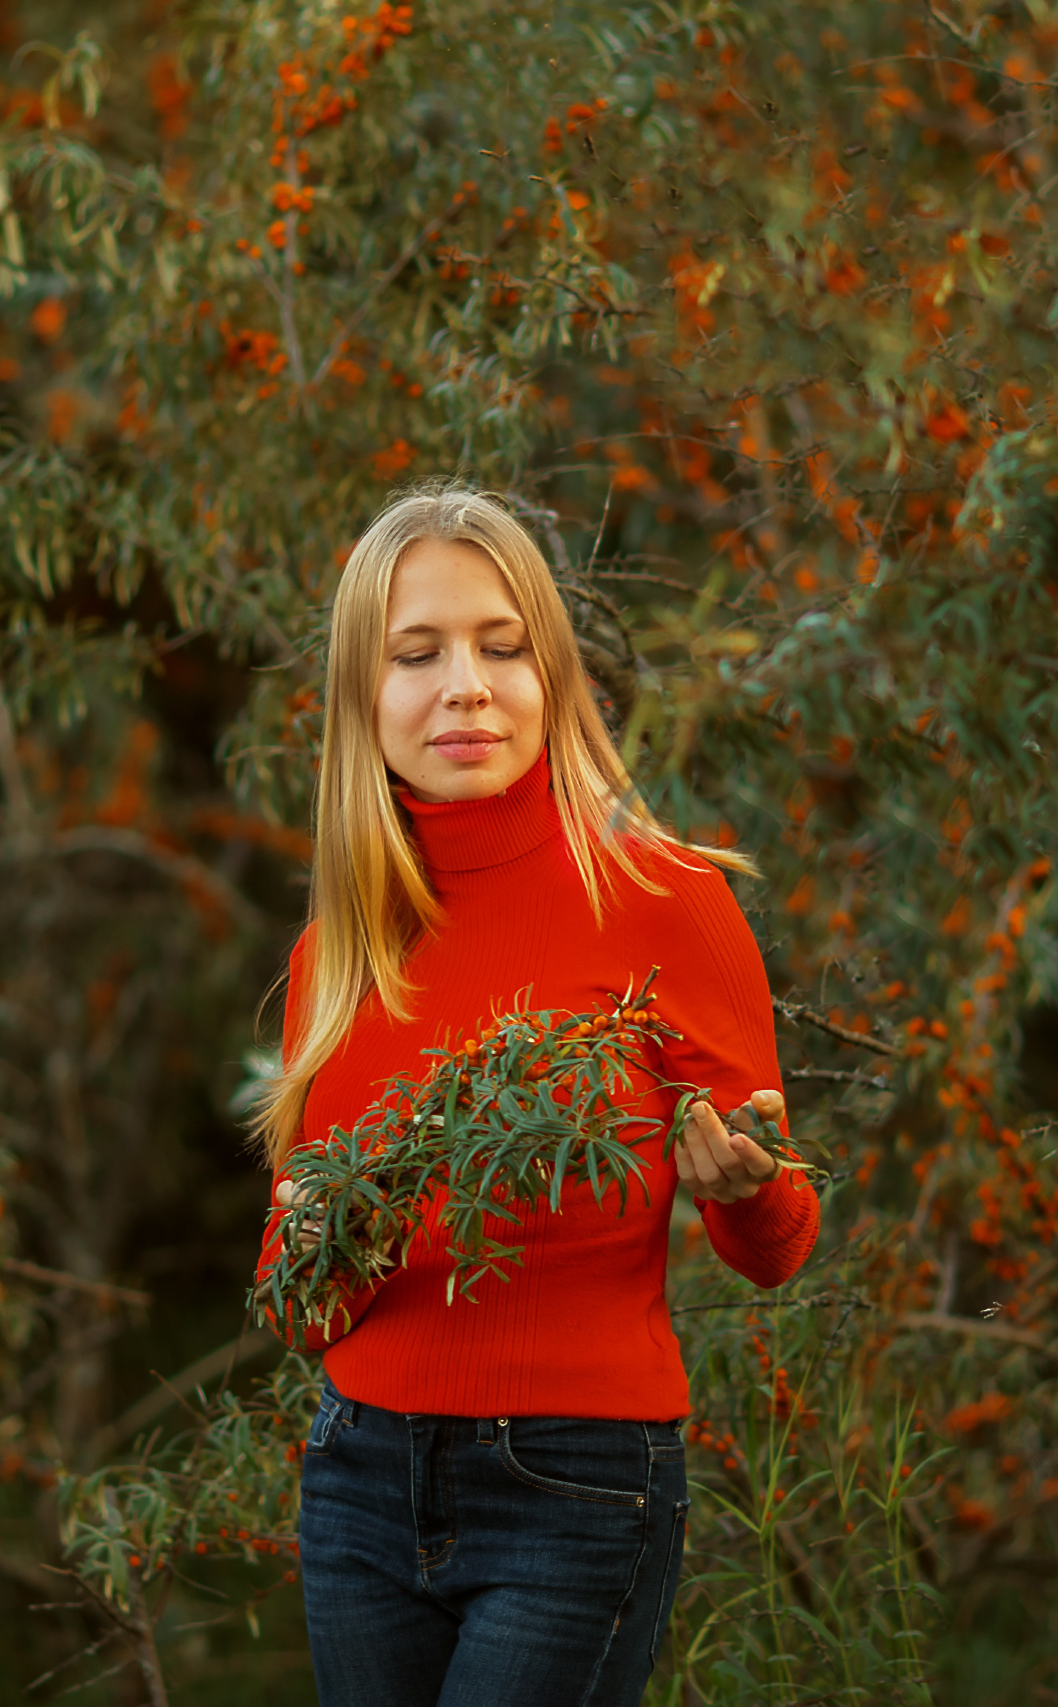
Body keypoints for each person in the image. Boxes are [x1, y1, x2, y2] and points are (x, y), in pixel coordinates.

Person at [252, 486, 820, 1706]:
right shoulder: (338, 951)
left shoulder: (663, 899)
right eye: (416, 655)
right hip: (358, 1483)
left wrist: (744, 1189)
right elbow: (302, 1306)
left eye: (501, 648)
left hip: (575, 1488)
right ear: (360, 695)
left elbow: (776, 1244)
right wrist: (311, 1243)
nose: (464, 687)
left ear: (551, 675)